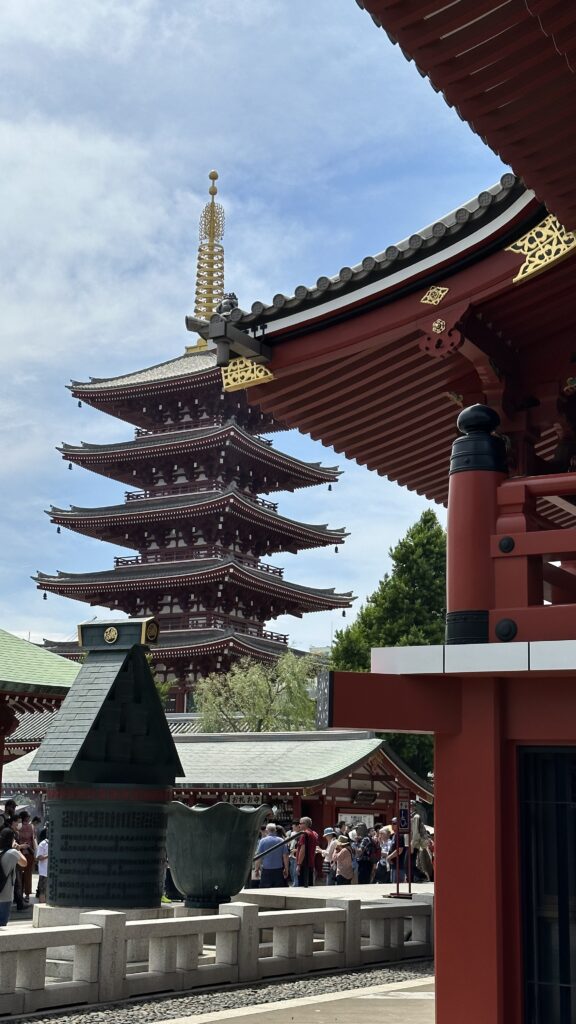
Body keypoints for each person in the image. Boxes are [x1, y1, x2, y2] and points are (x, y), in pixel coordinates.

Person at [0, 828, 27, 926]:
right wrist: (17, 849)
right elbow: (24, 863)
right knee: (2, 924)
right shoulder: (12, 853)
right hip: (5, 895)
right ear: (11, 839)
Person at [255, 823, 289, 888]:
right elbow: (285, 856)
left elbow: (259, 856)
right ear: (275, 830)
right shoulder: (281, 840)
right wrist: (286, 869)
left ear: (267, 830)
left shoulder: (263, 841)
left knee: (265, 890)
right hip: (278, 869)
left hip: (266, 869)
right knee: (278, 890)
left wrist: (257, 869)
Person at [18, 812, 36, 903]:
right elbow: (34, 840)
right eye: (28, 817)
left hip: (20, 853)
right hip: (29, 853)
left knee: (19, 874)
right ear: (26, 818)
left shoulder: (18, 827)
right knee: (28, 874)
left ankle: (19, 894)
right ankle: (27, 895)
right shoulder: (32, 827)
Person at [295, 817, 318, 887]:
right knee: (309, 885)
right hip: (309, 863)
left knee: (302, 886)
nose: (299, 825)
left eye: (300, 823)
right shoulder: (312, 833)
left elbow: (303, 850)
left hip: (304, 864)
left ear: (305, 824)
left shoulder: (304, 834)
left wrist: (298, 865)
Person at [387, 818, 407, 883]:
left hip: (399, 865)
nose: (392, 825)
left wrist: (389, 857)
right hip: (394, 865)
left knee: (397, 885)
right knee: (394, 885)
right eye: (391, 823)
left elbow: (400, 850)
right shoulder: (393, 835)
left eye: (394, 823)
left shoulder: (400, 835)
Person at [35, 829, 49, 904]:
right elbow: (38, 857)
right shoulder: (43, 844)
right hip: (44, 872)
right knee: (43, 890)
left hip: (52, 873)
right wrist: (48, 855)